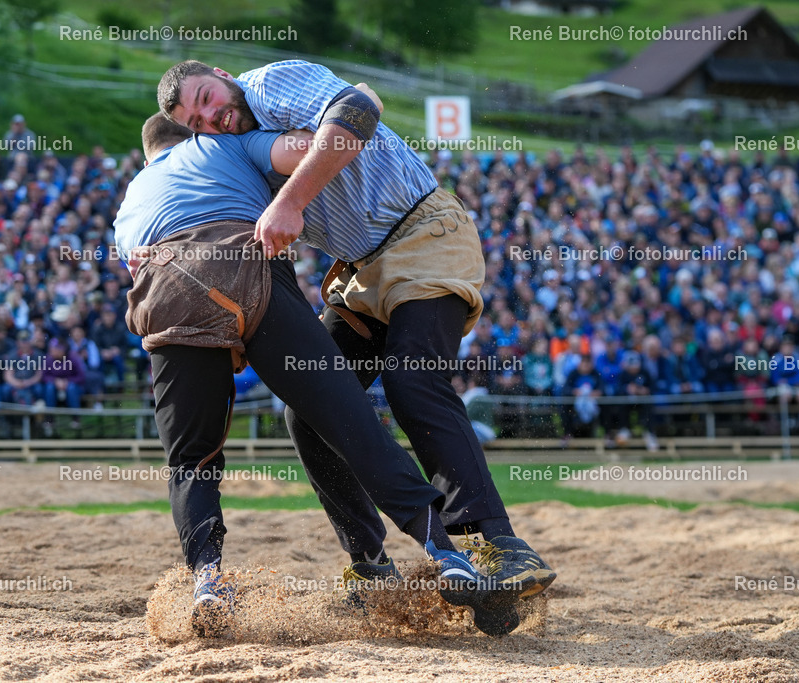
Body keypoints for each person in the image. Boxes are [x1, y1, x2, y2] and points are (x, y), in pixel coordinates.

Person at [114, 114, 521, 637]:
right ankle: (446, 554)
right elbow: (314, 149)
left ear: (147, 155)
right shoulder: (226, 145)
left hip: (167, 288)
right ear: (192, 136)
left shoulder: (131, 200)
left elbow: (134, 261)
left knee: (192, 458)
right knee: (348, 420)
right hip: (245, 263)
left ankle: (208, 581)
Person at [159, 59, 555, 595]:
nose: (211, 116)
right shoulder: (238, 148)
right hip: (361, 270)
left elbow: (358, 110)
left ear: (220, 73)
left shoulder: (270, 83)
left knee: (412, 379)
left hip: (424, 233)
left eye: (207, 96)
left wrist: (290, 201)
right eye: (196, 120)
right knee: (309, 413)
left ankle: (502, 546)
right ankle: (371, 567)